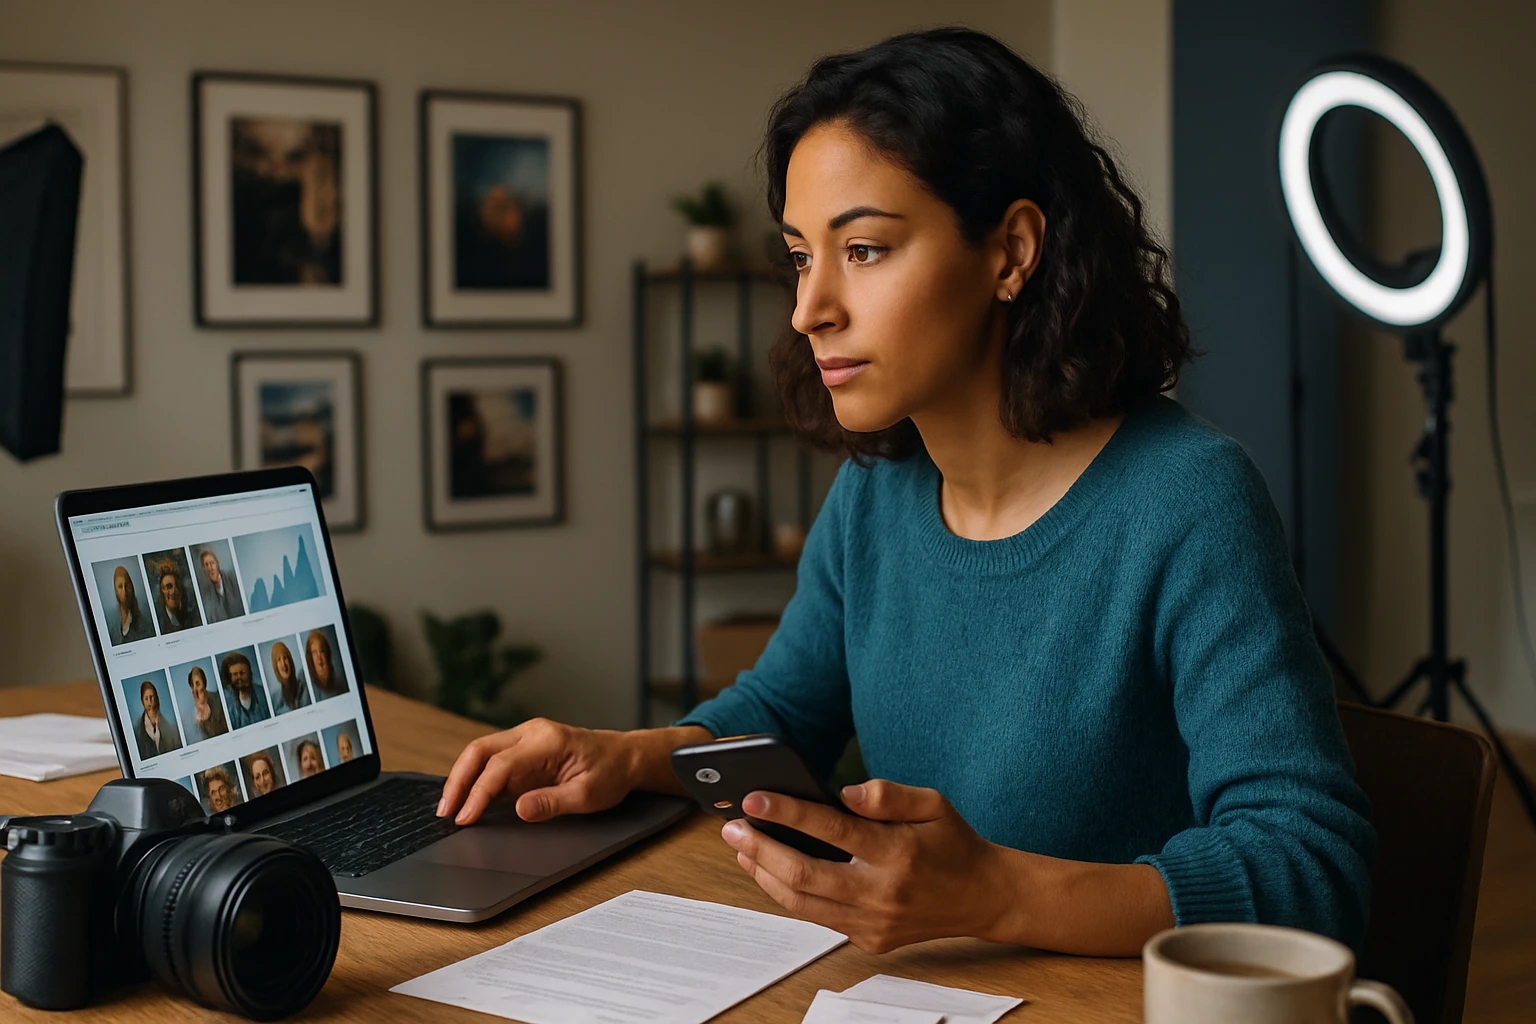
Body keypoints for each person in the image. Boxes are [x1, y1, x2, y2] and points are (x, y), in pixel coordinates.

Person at [436, 28, 1374, 959]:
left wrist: (996, 896)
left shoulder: (1188, 503)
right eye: (803, 255)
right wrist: (630, 755)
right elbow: (783, 717)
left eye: (867, 250)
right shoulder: (874, 494)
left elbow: (1309, 864)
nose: (810, 309)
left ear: (1011, 252)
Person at [132, 679, 182, 761]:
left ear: (156, 698)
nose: (150, 702)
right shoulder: (137, 731)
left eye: (151, 697)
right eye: (146, 698)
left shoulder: (170, 729)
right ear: (142, 701)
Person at [221, 651, 270, 729]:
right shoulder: (229, 705)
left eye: (242, 673)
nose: (239, 677)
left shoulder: (263, 694)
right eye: (235, 674)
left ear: (249, 673)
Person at [152, 555, 202, 633]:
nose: (173, 591)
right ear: (162, 591)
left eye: (177, 586)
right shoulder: (158, 624)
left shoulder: (192, 619)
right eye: (169, 586)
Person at [108, 564, 155, 645]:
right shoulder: (113, 629)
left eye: (127, 586)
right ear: (116, 591)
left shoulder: (145, 626)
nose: (124, 591)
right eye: (120, 587)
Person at [197, 547, 245, 623]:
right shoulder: (206, 595)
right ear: (204, 569)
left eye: (212, 563)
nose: (210, 568)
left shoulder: (232, 580)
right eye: (206, 565)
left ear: (217, 564)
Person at [185, 665, 228, 740]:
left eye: (197, 684)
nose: (195, 690)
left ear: (204, 684)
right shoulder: (194, 713)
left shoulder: (218, 700)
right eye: (192, 685)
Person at [268, 640, 311, 714]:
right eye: (279, 660)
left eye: (285, 658)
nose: (283, 664)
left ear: (290, 660)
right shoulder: (275, 703)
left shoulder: (306, 687)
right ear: (276, 667)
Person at [305, 629, 348, 700]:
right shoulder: (307, 690)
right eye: (314, 652)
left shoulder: (341, 684)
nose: (319, 659)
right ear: (310, 658)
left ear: (327, 655)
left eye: (322, 651)